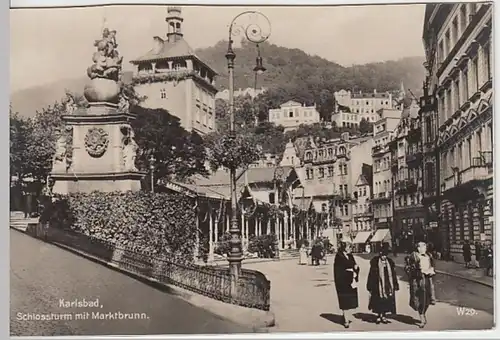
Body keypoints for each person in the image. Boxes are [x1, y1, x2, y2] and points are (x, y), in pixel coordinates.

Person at [404, 241, 436, 328]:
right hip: (418, 281)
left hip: (427, 280)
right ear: (418, 248)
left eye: (425, 247)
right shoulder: (413, 256)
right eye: (422, 247)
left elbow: (432, 265)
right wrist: (418, 272)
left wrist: (431, 270)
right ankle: (422, 317)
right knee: (420, 299)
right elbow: (408, 268)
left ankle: (423, 313)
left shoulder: (428, 256)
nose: (424, 249)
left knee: (428, 299)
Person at [367, 243, 399, 324]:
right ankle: (378, 315)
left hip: (387, 285)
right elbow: (371, 274)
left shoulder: (390, 263)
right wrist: (369, 285)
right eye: (382, 255)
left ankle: (383, 315)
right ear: (380, 254)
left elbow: (393, 275)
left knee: (386, 301)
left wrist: (395, 284)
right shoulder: (375, 262)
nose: (383, 257)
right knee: (378, 300)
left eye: (385, 255)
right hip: (377, 285)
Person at [333, 240, 360, 328]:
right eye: (349, 247)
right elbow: (338, 271)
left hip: (351, 281)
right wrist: (349, 273)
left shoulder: (350, 256)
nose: (350, 249)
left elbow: (354, 265)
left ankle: (345, 316)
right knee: (344, 301)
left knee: (349, 301)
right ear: (344, 248)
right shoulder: (339, 256)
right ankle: (346, 320)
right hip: (343, 282)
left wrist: (356, 268)